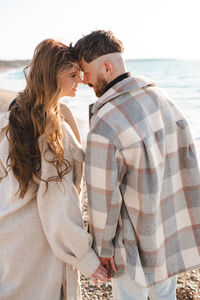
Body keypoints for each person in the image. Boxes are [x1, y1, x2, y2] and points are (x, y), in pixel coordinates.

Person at [74, 30, 200, 300]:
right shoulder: (163, 100)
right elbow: (188, 166)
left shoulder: (105, 122)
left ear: (106, 67)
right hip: (167, 234)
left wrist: (102, 250)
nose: (84, 80)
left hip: (131, 248)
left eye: (85, 71)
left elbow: (102, 198)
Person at [0, 38, 108, 300]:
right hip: (41, 242)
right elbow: (58, 203)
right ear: (52, 76)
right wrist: (85, 257)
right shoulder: (51, 130)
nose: (80, 81)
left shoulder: (13, 114)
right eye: (72, 75)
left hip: (10, 230)